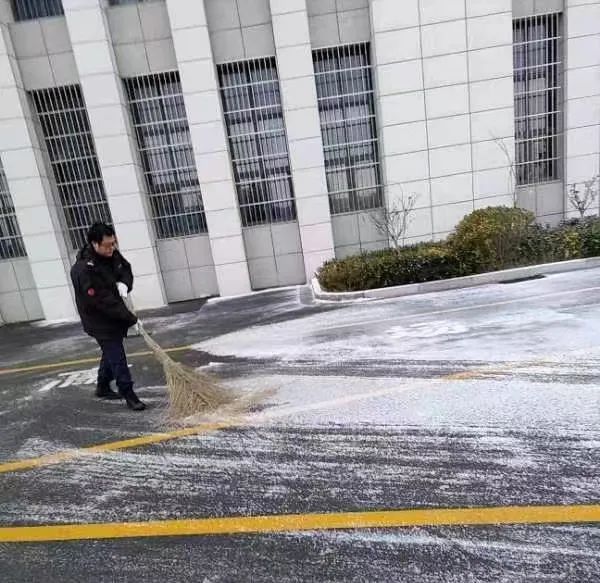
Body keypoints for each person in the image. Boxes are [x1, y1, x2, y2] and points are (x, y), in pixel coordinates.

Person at [70, 222, 146, 411]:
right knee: (117, 355)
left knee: (110, 352)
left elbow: (125, 268)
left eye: (113, 243)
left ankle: (103, 386)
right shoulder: (84, 270)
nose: (112, 248)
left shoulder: (112, 254)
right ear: (94, 244)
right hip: (98, 320)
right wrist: (131, 319)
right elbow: (103, 301)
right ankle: (129, 394)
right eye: (107, 245)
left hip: (114, 315)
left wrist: (125, 283)